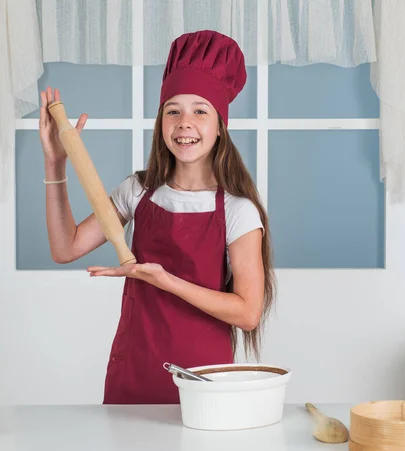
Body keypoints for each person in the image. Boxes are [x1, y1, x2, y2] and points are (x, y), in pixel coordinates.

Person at [39, 30, 275, 404]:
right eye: (173, 110)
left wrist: (166, 281)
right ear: (161, 121)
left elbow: (247, 313)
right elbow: (65, 247)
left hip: (202, 385)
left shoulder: (237, 210)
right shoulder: (138, 191)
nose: (185, 122)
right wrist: (55, 163)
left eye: (200, 110)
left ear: (219, 126)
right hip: (133, 372)